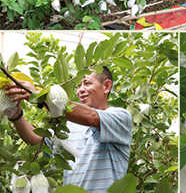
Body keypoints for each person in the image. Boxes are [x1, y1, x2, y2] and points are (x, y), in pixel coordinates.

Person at [4, 67, 132, 192]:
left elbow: (91, 118)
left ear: (106, 86)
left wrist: (41, 96)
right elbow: (36, 141)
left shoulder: (120, 117)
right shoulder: (67, 126)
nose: (80, 90)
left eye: (86, 83)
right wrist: (15, 114)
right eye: (79, 86)